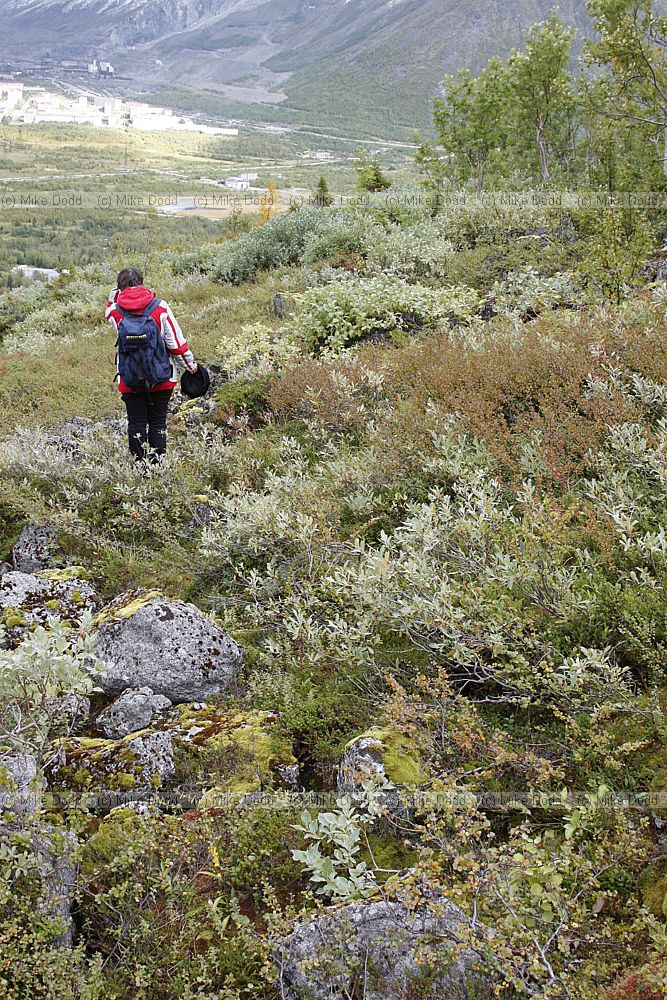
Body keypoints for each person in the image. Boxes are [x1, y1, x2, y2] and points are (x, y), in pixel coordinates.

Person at [105, 268, 197, 464]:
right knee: (158, 423)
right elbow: (175, 344)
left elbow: (108, 307)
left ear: (119, 287)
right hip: (162, 377)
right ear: (142, 282)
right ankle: (158, 467)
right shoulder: (160, 307)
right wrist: (190, 366)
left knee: (136, 423)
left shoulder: (115, 312)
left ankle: (141, 469)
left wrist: (115, 293)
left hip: (129, 379)